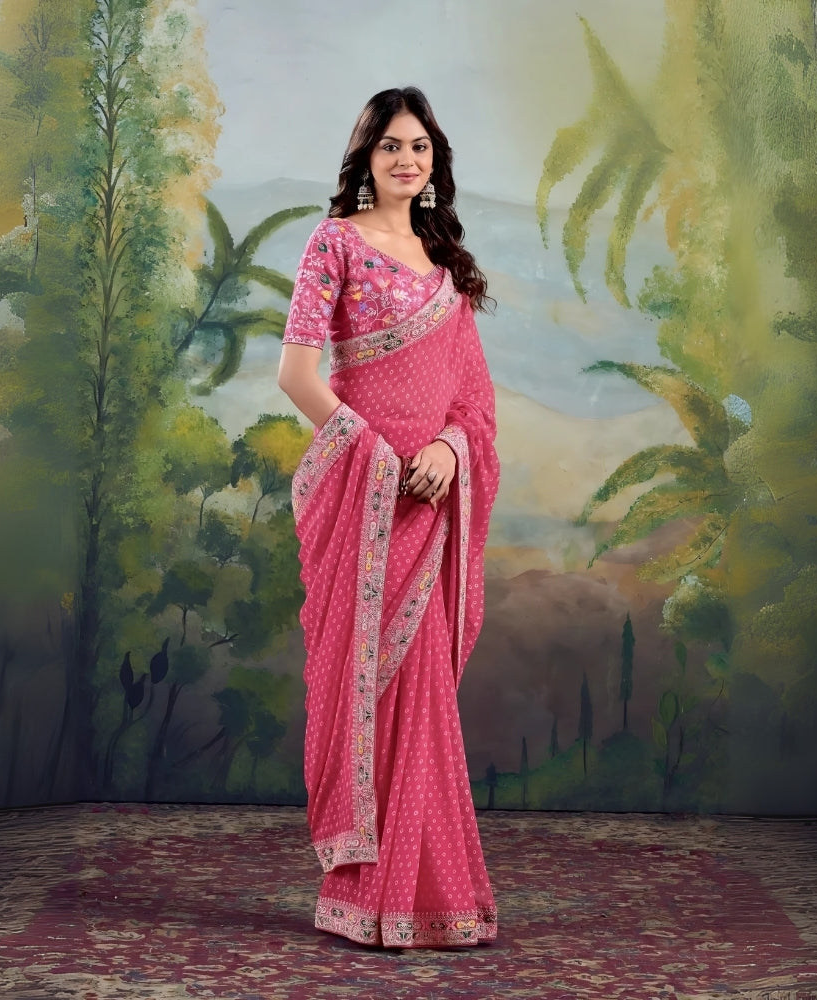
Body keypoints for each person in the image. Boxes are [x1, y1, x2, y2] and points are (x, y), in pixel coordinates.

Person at [277, 86, 500, 948]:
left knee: (425, 702)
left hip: (431, 507)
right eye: (390, 146)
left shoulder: (446, 265)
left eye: (419, 147)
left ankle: (429, 896)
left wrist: (449, 447)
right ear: (365, 158)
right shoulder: (333, 243)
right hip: (365, 503)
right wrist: (379, 459)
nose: (406, 159)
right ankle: (369, 898)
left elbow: (471, 401)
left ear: (435, 161)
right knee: (365, 696)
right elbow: (298, 377)